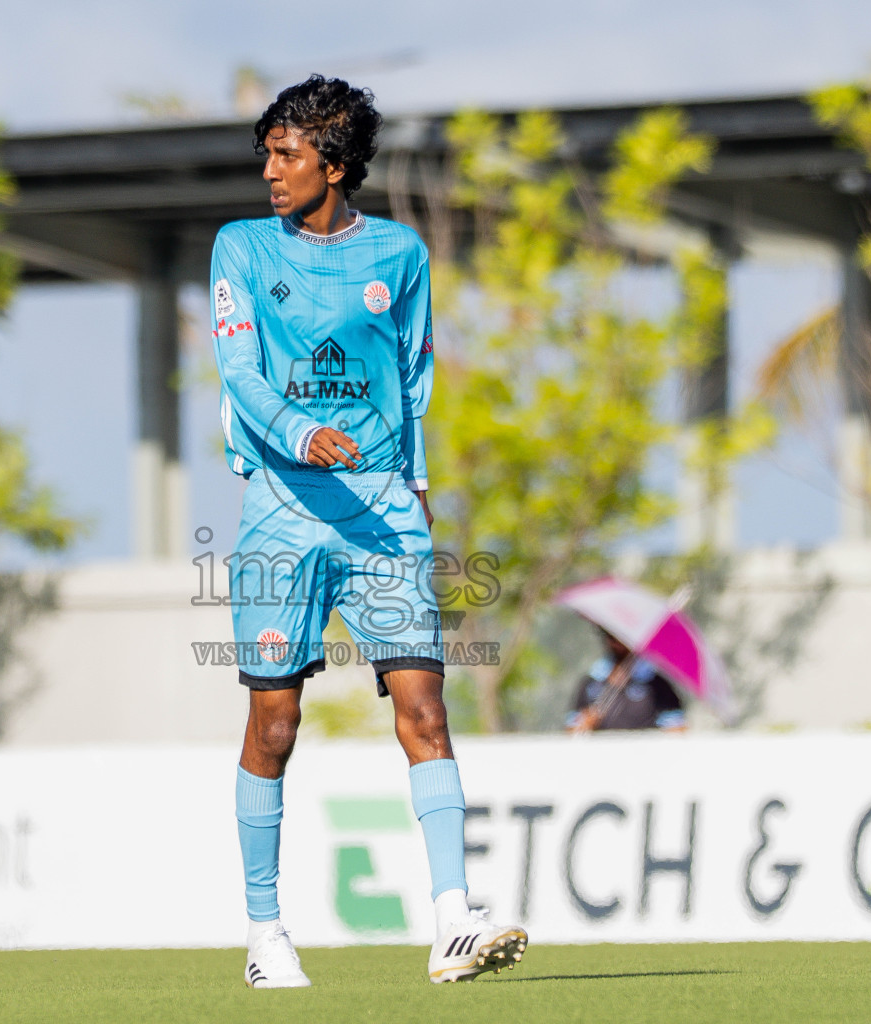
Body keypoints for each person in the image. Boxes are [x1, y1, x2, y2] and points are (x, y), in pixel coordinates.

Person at [210, 75, 527, 988]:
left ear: (335, 164)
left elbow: (414, 373)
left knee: (426, 710)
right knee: (275, 726)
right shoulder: (240, 249)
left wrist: (418, 481)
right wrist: (304, 433)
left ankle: (452, 923)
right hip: (281, 513)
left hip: (383, 515)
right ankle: (266, 935)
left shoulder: (399, 254)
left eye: (287, 153)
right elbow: (240, 372)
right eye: (266, 151)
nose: (269, 169)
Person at [565, 627, 686, 732]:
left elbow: (677, 728)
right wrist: (584, 723)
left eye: (622, 635)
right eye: (610, 635)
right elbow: (571, 730)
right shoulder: (590, 682)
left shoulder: (657, 684)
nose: (616, 641)